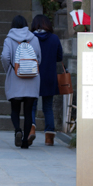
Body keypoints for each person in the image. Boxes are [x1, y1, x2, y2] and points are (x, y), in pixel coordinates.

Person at [2, 15, 42, 149]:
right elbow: (39, 58)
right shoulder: (34, 38)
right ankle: (25, 142)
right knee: (28, 111)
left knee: (15, 109)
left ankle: (17, 130)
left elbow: (5, 57)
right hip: (32, 79)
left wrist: (10, 69)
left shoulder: (9, 39)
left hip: (15, 78)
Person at [30, 14, 65, 145]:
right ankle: (49, 137)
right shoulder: (54, 38)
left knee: (32, 106)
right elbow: (59, 57)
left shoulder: (30, 38)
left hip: (33, 76)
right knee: (48, 107)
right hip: (49, 76)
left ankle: (31, 128)